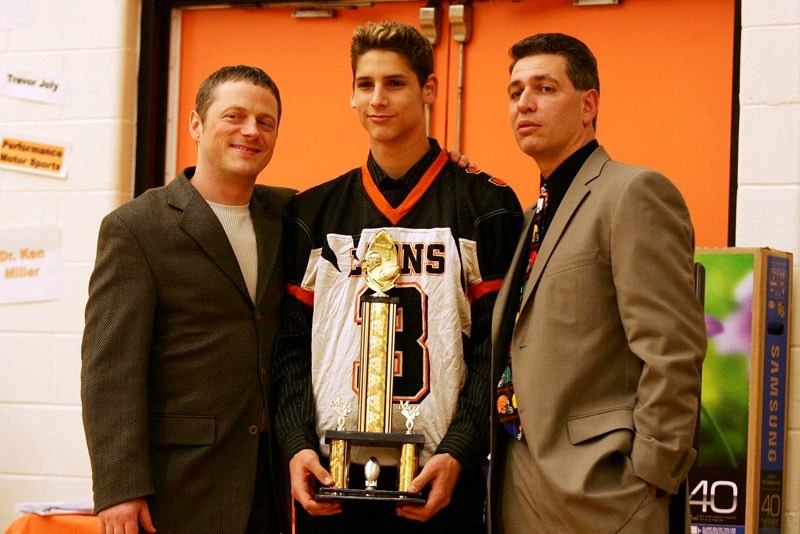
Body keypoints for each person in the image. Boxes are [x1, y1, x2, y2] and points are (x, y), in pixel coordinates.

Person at [273, 21, 523, 534]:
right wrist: (296, 444)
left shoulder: (486, 206)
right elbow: (291, 349)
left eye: (395, 83)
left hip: (440, 477)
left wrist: (460, 450)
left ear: (429, 89)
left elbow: (497, 350)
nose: (377, 99)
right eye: (365, 85)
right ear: (351, 93)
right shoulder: (313, 212)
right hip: (330, 479)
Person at [488, 33, 707, 533]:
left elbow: (673, 346)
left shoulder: (633, 193)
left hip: (606, 496)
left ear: (588, 105)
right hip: (517, 490)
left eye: (544, 88)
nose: (525, 102)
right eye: (515, 91)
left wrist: (653, 473)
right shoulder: (529, 219)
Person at [81, 65, 295, 534]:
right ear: (196, 123)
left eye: (266, 122)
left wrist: (453, 169)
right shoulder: (136, 228)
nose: (250, 131)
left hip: (270, 481)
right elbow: (110, 372)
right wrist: (119, 488)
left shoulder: (290, 214)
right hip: (179, 485)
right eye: (234, 116)